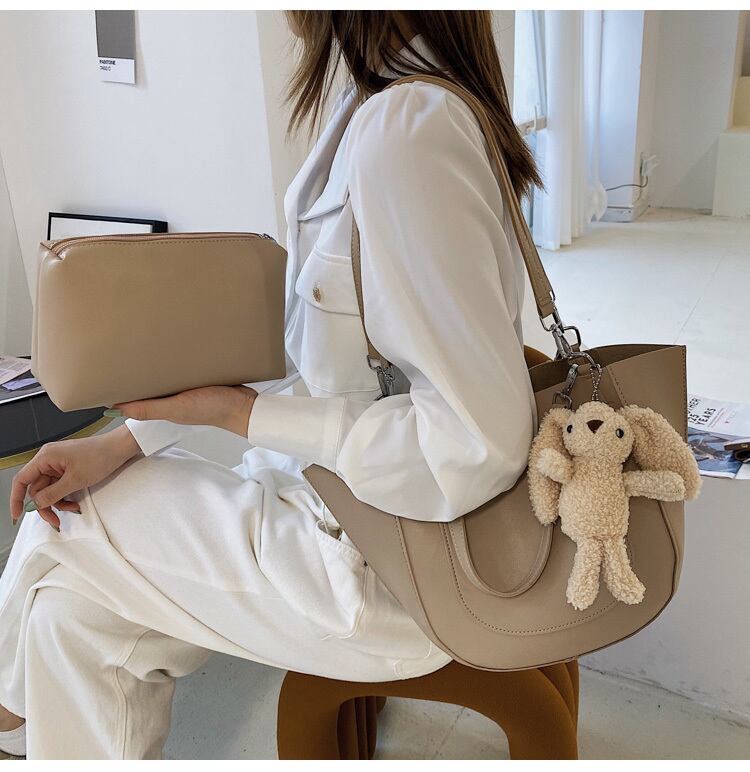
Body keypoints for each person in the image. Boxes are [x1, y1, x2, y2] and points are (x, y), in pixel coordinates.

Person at [0, 10, 539, 759]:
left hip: (387, 562)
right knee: (68, 614)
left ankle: (5, 717)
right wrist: (124, 442)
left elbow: (474, 443)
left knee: (66, 520)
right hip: (333, 508)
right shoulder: (374, 108)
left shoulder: (408, 129)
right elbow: (306, 350)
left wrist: (245, 417)